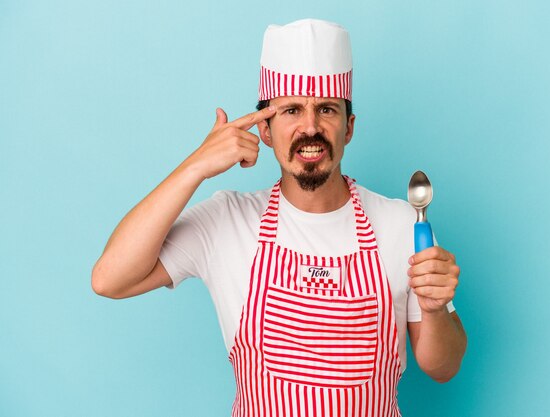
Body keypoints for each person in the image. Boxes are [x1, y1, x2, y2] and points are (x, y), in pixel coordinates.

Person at [92, 19, 467, 416]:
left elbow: (442, 367)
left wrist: (434, 307)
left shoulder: (404, 225)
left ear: (349, 127)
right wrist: (195, 167)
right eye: (291, 110)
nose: (310, 127)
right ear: (265, 130)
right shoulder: (227, 221)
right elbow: (110, 279)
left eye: (326, 109)